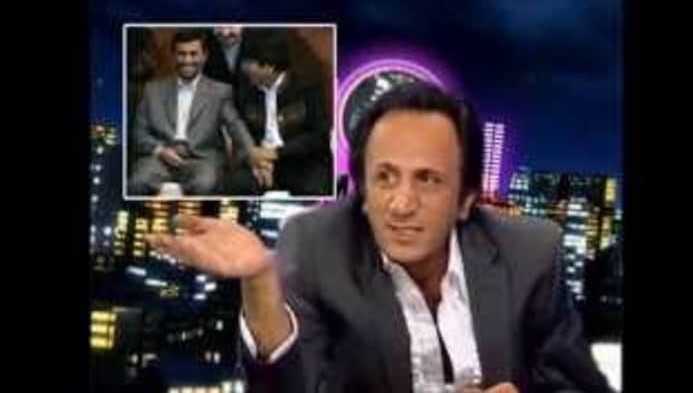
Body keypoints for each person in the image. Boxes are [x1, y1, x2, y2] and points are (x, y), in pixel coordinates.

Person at [147, 82, 612, 392]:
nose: (401, 204)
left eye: (428, 179)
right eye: (385, 178)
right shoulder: (316, 246)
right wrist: (260, 282)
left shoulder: (530, 252)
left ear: (466, 199)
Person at [128, 29, 255, 196]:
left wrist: (255, 156)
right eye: (182, 54)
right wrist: (160, 150)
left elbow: (235, 125)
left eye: (193, 54)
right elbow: (139, 133)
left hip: (202, 161)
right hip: (158, 159)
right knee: (137, 182)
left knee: (205, 184)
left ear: (204, 56)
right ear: (173, 56)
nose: (187, 60)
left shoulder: (220, 92)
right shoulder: (152, 90)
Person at [224, 29, 333, 196]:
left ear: (268, 68)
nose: (243, 69)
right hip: (261, 161)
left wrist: (276, 153)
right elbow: (240, 131)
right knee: (236, 185)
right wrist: (257, 162)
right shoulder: (245, 89)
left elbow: (319, 137)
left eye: (248, 65)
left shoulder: (307, 86)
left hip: (301, 161)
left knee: (314, 190)